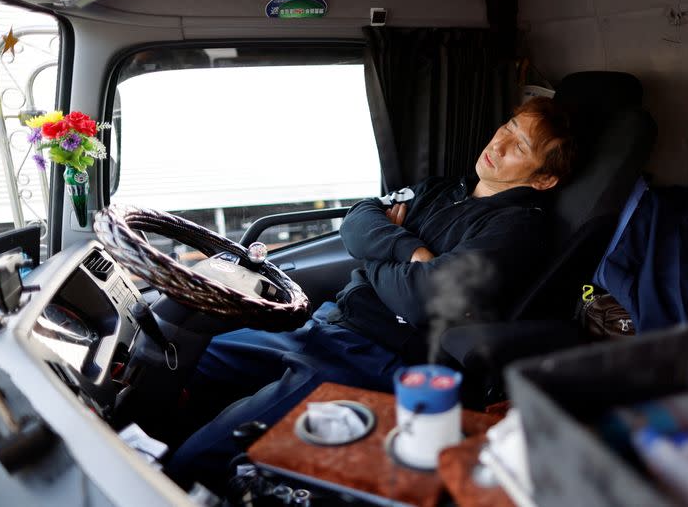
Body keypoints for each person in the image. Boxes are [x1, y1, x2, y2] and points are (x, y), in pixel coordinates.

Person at [165, 96, 576, 491]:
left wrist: (374, 256)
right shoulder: (442, 188)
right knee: (185, 364)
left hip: (373, 359)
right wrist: (408, 249)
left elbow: (420, 298)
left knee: (193, 462)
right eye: (507, 127)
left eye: (520, 145)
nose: (498, 144)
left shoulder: (518, 229)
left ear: (544, 178)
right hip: (327, 325)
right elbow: (358, 218)